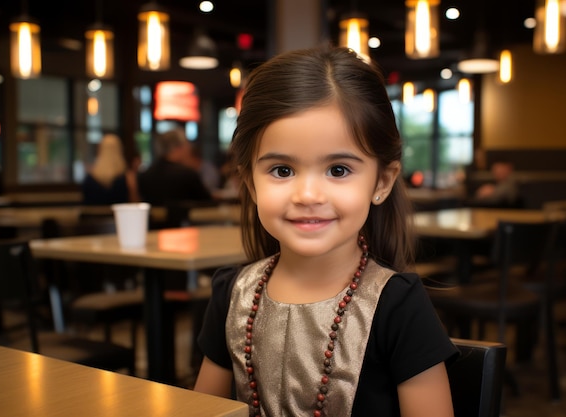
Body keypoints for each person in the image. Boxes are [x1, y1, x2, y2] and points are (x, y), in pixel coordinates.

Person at [193, 46, 458, 416]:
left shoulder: (398, 306)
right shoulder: (231, 295)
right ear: (250, 184)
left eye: (338, 170)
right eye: (282, 170)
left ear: (382, 182)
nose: (308, 195)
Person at [137, 128, 212, 206]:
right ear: (179, 148)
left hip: (152, 218)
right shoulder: (187, 175)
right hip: (185, 218)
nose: (189, 148)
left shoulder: (145, 175)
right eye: (187, 144)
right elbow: (207, 203)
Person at [81, 134, 139, 205]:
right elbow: (134, 203)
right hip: (118, 215)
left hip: (93, 216)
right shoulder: (127, 178)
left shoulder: (89, 179)